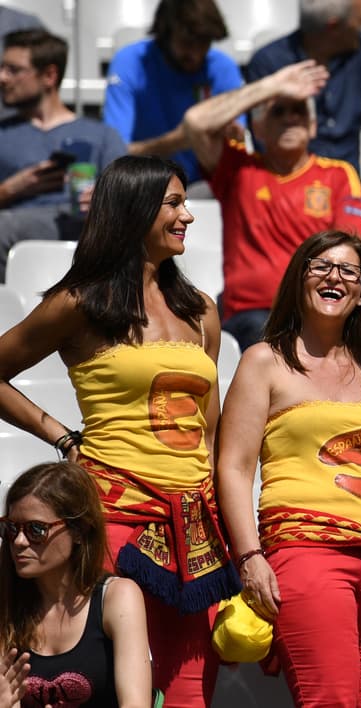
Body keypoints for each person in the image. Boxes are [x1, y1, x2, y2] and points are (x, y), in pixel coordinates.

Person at [0, 155, 233, 707]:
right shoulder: (81, 302)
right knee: (106, 689)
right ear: (134, 210)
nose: (187, 216)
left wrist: (233, 537)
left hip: (195, 531)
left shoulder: (201, 310)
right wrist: (60, 436)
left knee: (189, 697)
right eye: (173, 203)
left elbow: (213, 433)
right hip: (111, 520)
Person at [215, 230, 361, 706]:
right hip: (305, 549)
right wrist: (250, 558)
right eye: (321, 266)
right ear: (299, 278)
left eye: (348, 271)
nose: (334, 276)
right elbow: (233, 469)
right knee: (330, 700)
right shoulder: (264, 362)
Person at [183, 58, 361, 351]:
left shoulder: (338, 175)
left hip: (319, 312)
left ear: (312, 126)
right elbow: (196, 122)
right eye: (278, 111)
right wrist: (270, 86)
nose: (289, 118)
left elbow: (353, 247)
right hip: (251, 314)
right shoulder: (238, 170)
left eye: (298, 110)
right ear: (257, 128)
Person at [0, 462, 151, 708]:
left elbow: (136, 704)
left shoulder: (117, 597)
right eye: (11, 528)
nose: (18, 541)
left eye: (36, 529)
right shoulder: (5, 603)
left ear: (79, 531)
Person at [0, 29, 127, 279]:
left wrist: (104, 201)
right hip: (12, 233)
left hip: (88, 237)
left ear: (49, 75)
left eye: (13, 70)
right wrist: (10, 189)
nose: (2, 77)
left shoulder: (102, 135)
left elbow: (130, 196)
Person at [247, 0, 361, 182]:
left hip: (348, 183)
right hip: (289, 184)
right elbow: (260, 133)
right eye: (358, 20)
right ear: (333, 26)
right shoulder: (268, 62)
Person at [104, 0, 244, 188]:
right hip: (145, 185)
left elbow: (237, 145)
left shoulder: (222, 68)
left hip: (206, 186)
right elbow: (115, 155)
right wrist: (175, 141)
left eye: (204, 43)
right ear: (165, 33)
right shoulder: (130, 63)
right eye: (186, 43)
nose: (195, 54)